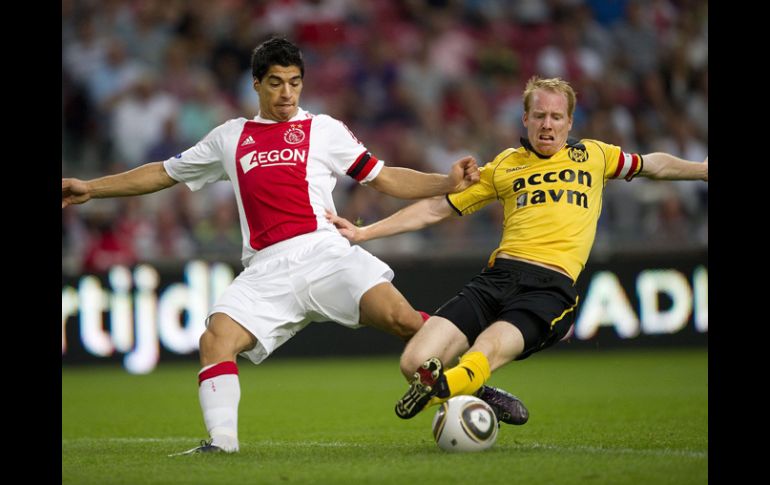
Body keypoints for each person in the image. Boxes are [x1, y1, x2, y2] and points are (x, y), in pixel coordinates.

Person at [62, 37, 491, 455]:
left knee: (404, 321)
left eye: (294, 82)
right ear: (256, 84)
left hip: (326, 253)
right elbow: (163, 173)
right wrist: (91, 189)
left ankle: (480, 382)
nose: (287, 93)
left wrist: (444, 182)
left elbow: (383, 176)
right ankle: (221, 445)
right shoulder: (230, 137)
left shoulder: (324, 130)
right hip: (266, 269)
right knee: (216, 339)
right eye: (275, 82)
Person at [327, 76, 708, 421]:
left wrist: (702, 168)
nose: (547, 124)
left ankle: (444, 388)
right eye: (539, 115)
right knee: (413, 362)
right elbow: (435, 208)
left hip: (549, 286)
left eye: (557, 117)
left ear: (570, 123)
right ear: (524, 120)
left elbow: (653, 165)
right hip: (497, 277)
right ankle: (470, 389)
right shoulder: (504, 167)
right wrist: (364, 233)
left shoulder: (594, 156)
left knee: (486, 348)